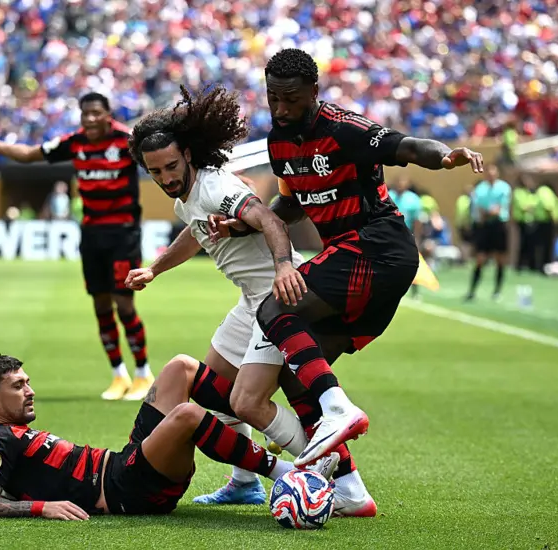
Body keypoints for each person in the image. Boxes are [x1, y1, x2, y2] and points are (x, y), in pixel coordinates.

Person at [213, 48, 483, 470]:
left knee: (274, 306)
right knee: (295, 374)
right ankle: (347, 486)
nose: (281, 109)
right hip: (354, 260)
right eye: (273, 98)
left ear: (314, 92)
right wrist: (241, 225)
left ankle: (337, 406)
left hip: (377, 246)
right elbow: (293, 205)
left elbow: (406, 146)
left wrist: (446, 156)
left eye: (292, 99)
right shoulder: (278, 142)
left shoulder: (343, 128)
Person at [124, 85, 329, 509]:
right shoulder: (189, 196)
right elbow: (194, 233)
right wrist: (155, 269)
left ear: (189, 155)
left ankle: (325, 465)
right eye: (156, 171)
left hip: (275, 300)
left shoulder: (216, 187)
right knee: (213, 388)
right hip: (249, 302)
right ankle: (244, 484)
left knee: (246, 402)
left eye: (171, 166)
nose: (166, 178)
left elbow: (271, 219)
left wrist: (283, 267)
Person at [0, 93, 152, 401]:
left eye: (96, 113)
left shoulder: (127, 140)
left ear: (108, 114)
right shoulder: (75, 142)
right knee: (100, 306)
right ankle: (118, 375)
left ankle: (142, 373)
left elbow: (163, 157)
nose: (90, 118)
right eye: (85, 113)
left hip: (123, 234)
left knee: (124, 305)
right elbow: (28, 154)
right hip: (91, 234)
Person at [0, 354, 338, 519]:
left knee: (181, 368)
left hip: (122, 463)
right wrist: (42, 507)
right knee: (189, 415)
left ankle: (256, 408)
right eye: (18, 386)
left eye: (28, 382)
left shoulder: (13, 431)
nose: (30, 391)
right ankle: (288, 473)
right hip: (125, 491)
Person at [465, 164, 511, 301]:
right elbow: (479, 209)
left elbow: (498, 209)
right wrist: (487, 213)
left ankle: (497, 291)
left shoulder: (504, 188)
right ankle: (472, 290)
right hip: (484, 227)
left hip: (498, 226)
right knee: (480, 258)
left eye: (493, 171)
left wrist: (489, 212)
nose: (491, 174)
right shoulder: (480, 189)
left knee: (500, 259)